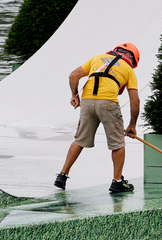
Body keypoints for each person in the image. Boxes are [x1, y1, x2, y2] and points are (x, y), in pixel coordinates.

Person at [55, 43, 140, 194]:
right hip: (108, 104)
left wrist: (75, 95)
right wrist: (132, 125)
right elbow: (135, 101)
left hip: (87, 102)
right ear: (132, 59)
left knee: (79, 140)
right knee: (117, 143)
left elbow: (73, 75)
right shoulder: (128, 69)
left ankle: (62, 175)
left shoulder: (97, 58)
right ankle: (117, 182)